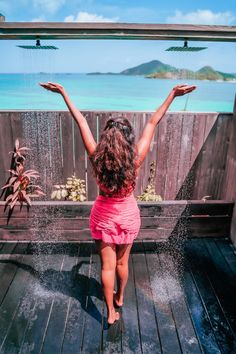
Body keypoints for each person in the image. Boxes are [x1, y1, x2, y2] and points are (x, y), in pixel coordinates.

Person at [39, 81, 196, 324]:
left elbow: (80, 120)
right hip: (127, 215)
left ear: (106, 137)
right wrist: (172, 95)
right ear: (128, 137)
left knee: (107, 267)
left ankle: (110, 313)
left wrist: (63, 94)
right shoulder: (135, 160)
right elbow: (153, 122)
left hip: (103, 217)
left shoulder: (96, 156)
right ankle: (120, 297)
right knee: (123, 262)